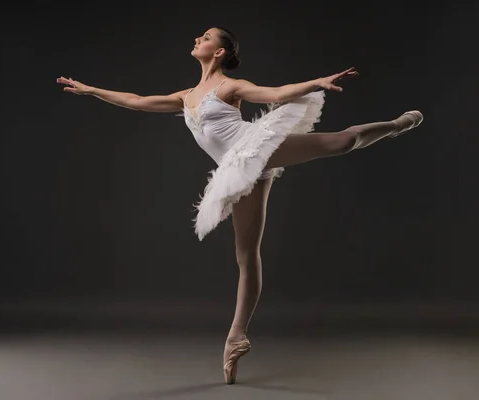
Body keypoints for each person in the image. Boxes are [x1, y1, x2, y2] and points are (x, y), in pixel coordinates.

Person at [56, 26, 423, 384]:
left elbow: (276, 93)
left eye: (206, 37)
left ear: (219, 52)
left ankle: (396, 125)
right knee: (246, 255)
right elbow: (136, 101)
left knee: (342, 142)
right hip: (236, 169)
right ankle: (237, 337)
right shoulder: (186, 95)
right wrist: (91, 90)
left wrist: (317, 82)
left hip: (253, 146)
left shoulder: (230, 86)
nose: (197, 39)